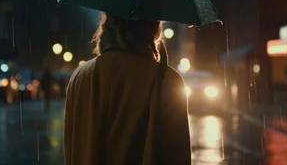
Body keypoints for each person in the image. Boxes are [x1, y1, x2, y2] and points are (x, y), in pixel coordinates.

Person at [64, 12, 191, 165]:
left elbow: (71, 147)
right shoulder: (165, 80)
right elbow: (177, 154)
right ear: (153, 27)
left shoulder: (80, 76)